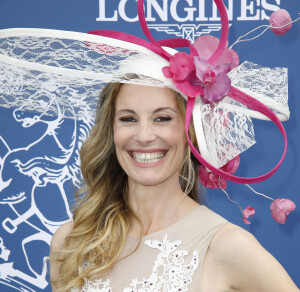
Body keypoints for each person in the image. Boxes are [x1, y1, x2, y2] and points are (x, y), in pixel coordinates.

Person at [49, 80, 299, 292]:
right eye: (128, 118)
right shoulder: (71, 241)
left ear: (188, 130)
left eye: (162, 118)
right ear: (111, 131)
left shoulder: (228, 245)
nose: (144, 135)